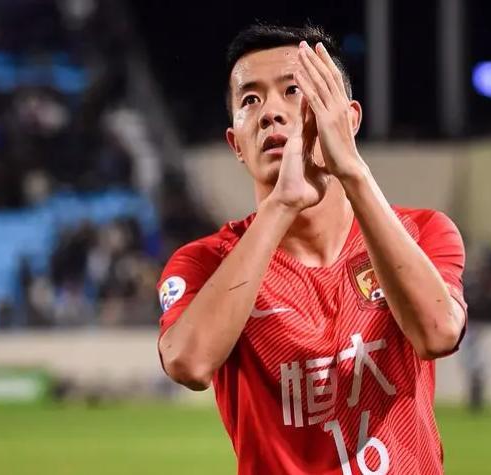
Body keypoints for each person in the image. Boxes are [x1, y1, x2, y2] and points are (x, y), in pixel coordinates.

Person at [157, 24, 467, 475]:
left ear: (348, 119)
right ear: (236, 144)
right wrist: (281, 205)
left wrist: (353, 171)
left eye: (293, 91)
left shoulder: (422, 232)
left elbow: (438, 334)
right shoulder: (205, 262)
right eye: (250, 100)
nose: (270, 113)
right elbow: (189, 363)